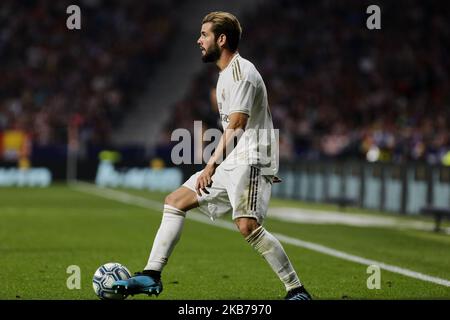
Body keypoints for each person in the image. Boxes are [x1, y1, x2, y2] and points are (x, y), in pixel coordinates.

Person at [113, 11, 312, 301]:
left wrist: (210, 165)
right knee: (175, 201)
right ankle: (151, 274)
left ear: (222, 39)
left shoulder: (242, 73)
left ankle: (297, 290)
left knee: (247, 225)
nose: (198, 40)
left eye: (204, 34)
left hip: (252, 157)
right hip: (237, 158)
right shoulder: (223, 77)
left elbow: (238, 125)